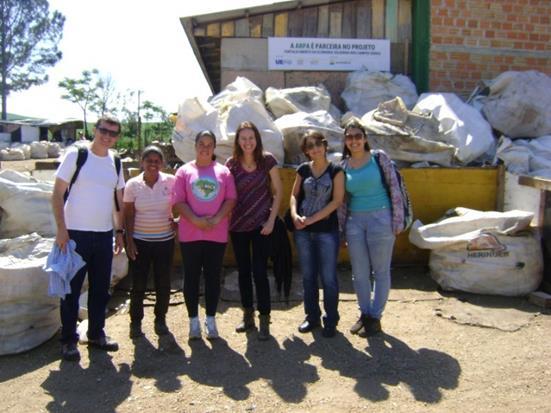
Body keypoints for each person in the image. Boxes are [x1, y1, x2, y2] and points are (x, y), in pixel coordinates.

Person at [51, 114, 125, 361]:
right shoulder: (77, 155)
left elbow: (118, 201)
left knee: (100, 290)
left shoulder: (115, 162)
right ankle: (69, 341)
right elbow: (57, 194)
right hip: (75, 236)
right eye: (104, 130)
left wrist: (120, 231)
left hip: (104, 236)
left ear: (117, 137)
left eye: (113, 133)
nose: (107, 136)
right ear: (95, 129)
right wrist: (62, 230)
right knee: (71, 291)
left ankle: (96, 334)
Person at [172, 130, 236, 340]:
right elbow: (178, 201)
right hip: (190, 234)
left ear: (214, 147)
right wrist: (196, 220)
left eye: (209, 144)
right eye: (202, 143)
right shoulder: (184, 171)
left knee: (212, 278)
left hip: (216, 234)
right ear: (195, 145)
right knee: (190, 277)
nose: (205, 148)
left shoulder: (223, 172)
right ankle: (193, 322)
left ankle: (210, 319)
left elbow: (230, 199)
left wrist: (217, 218)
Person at [225, 121, 282, 341]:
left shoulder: (267, 161)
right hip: (238, 226)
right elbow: (226, 194)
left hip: (262, 226)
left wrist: (270, 221)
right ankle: (247, 316)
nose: (247, 142)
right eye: (243, 138)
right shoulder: (232, 164)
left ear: (257, 139)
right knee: (243, 272)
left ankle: (265, 318)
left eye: (251, 138)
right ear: (238, 141)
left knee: (259, 271)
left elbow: (277, 192)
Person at [341, 120, 398, 337]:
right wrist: (342, 228)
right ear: (345, 141)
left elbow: (394, 188)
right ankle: (364, 314)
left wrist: (397, 220)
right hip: (355, 221)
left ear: (364, 138)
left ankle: (375, 317)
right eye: (349, 137)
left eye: (358, 136)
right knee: (359, 273)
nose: (354, 140)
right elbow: (343, 199)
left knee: (381, 271)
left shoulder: (379, 158)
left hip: (381, 218)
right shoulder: (343, 165)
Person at [290, 131, 344, 338]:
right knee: (308, 276)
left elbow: (336, 201)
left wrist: (312, 219)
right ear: (306, 151)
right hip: (303, 232)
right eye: (310, 146)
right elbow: (294, 196)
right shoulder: (303, 170)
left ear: (325, 145)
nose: (315, 149)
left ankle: (331, 319)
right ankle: (312, 317)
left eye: (318, 144)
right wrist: (295, 215)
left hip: (326, 232)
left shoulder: (336, 171)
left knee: (328, 277)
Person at [123, 145, 176, 339]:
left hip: (165, 242)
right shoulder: (133, 185)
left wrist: (180, 221)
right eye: (149, 161)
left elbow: (185, 201)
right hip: (140, 242)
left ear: (162, 163)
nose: (153, 164)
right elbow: (128, 214)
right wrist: (129, 241)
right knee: (138, 283)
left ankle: (160, 319)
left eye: (157, 161)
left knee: (163, 282)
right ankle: (135, 322)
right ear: (142, 163)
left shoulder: (170, 182)